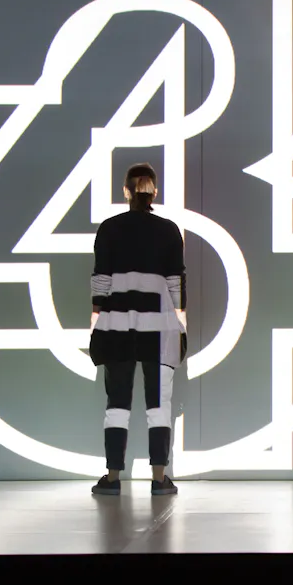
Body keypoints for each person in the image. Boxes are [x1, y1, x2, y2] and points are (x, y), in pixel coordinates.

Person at [88, 163, 187, 497]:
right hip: (159, 328)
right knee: (159, 405)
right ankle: (159, 477)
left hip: (117, 325)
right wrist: (181, 324)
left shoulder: (110, 229)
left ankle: (113, 476)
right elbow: (176, 284)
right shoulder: (169, 230)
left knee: (117, 402)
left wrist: (96, 320)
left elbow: (100, 281)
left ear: (126, 191)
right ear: (154, 191)